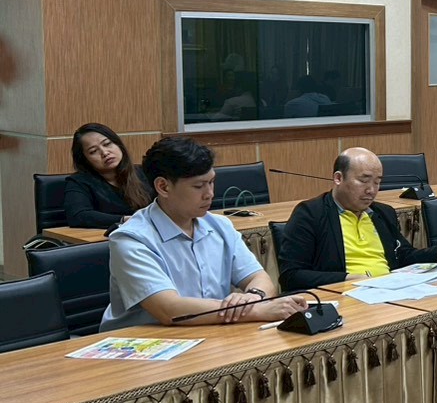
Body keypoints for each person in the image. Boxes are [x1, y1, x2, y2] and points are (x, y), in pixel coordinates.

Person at [106, 136, 309, 330]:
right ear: (163, 186)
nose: (210, 194)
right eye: (198, 186)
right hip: (144, 344)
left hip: (210, 331)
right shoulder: (132, 239)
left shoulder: (220, 225)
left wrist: (254, 297)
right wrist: (256, 310)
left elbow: (259, 277)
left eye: (211, 182)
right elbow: (169, 310)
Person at [277, 147, 437, 289]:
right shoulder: (310, 214)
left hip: (390, 292)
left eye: (377, 182)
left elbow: (404, 255)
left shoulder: (382, 213)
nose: (371, 190)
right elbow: (291, 276)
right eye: (363, 181)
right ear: (338, 178)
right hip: (347, 296)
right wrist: (347, 278)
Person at [65, 122, 150, 228]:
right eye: (93, 151)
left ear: (118, 144)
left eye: (107, 144)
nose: (105, 153)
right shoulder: (79, 182)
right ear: (85, 159)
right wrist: (123, 220)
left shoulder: (144, 172)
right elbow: (78, 216)